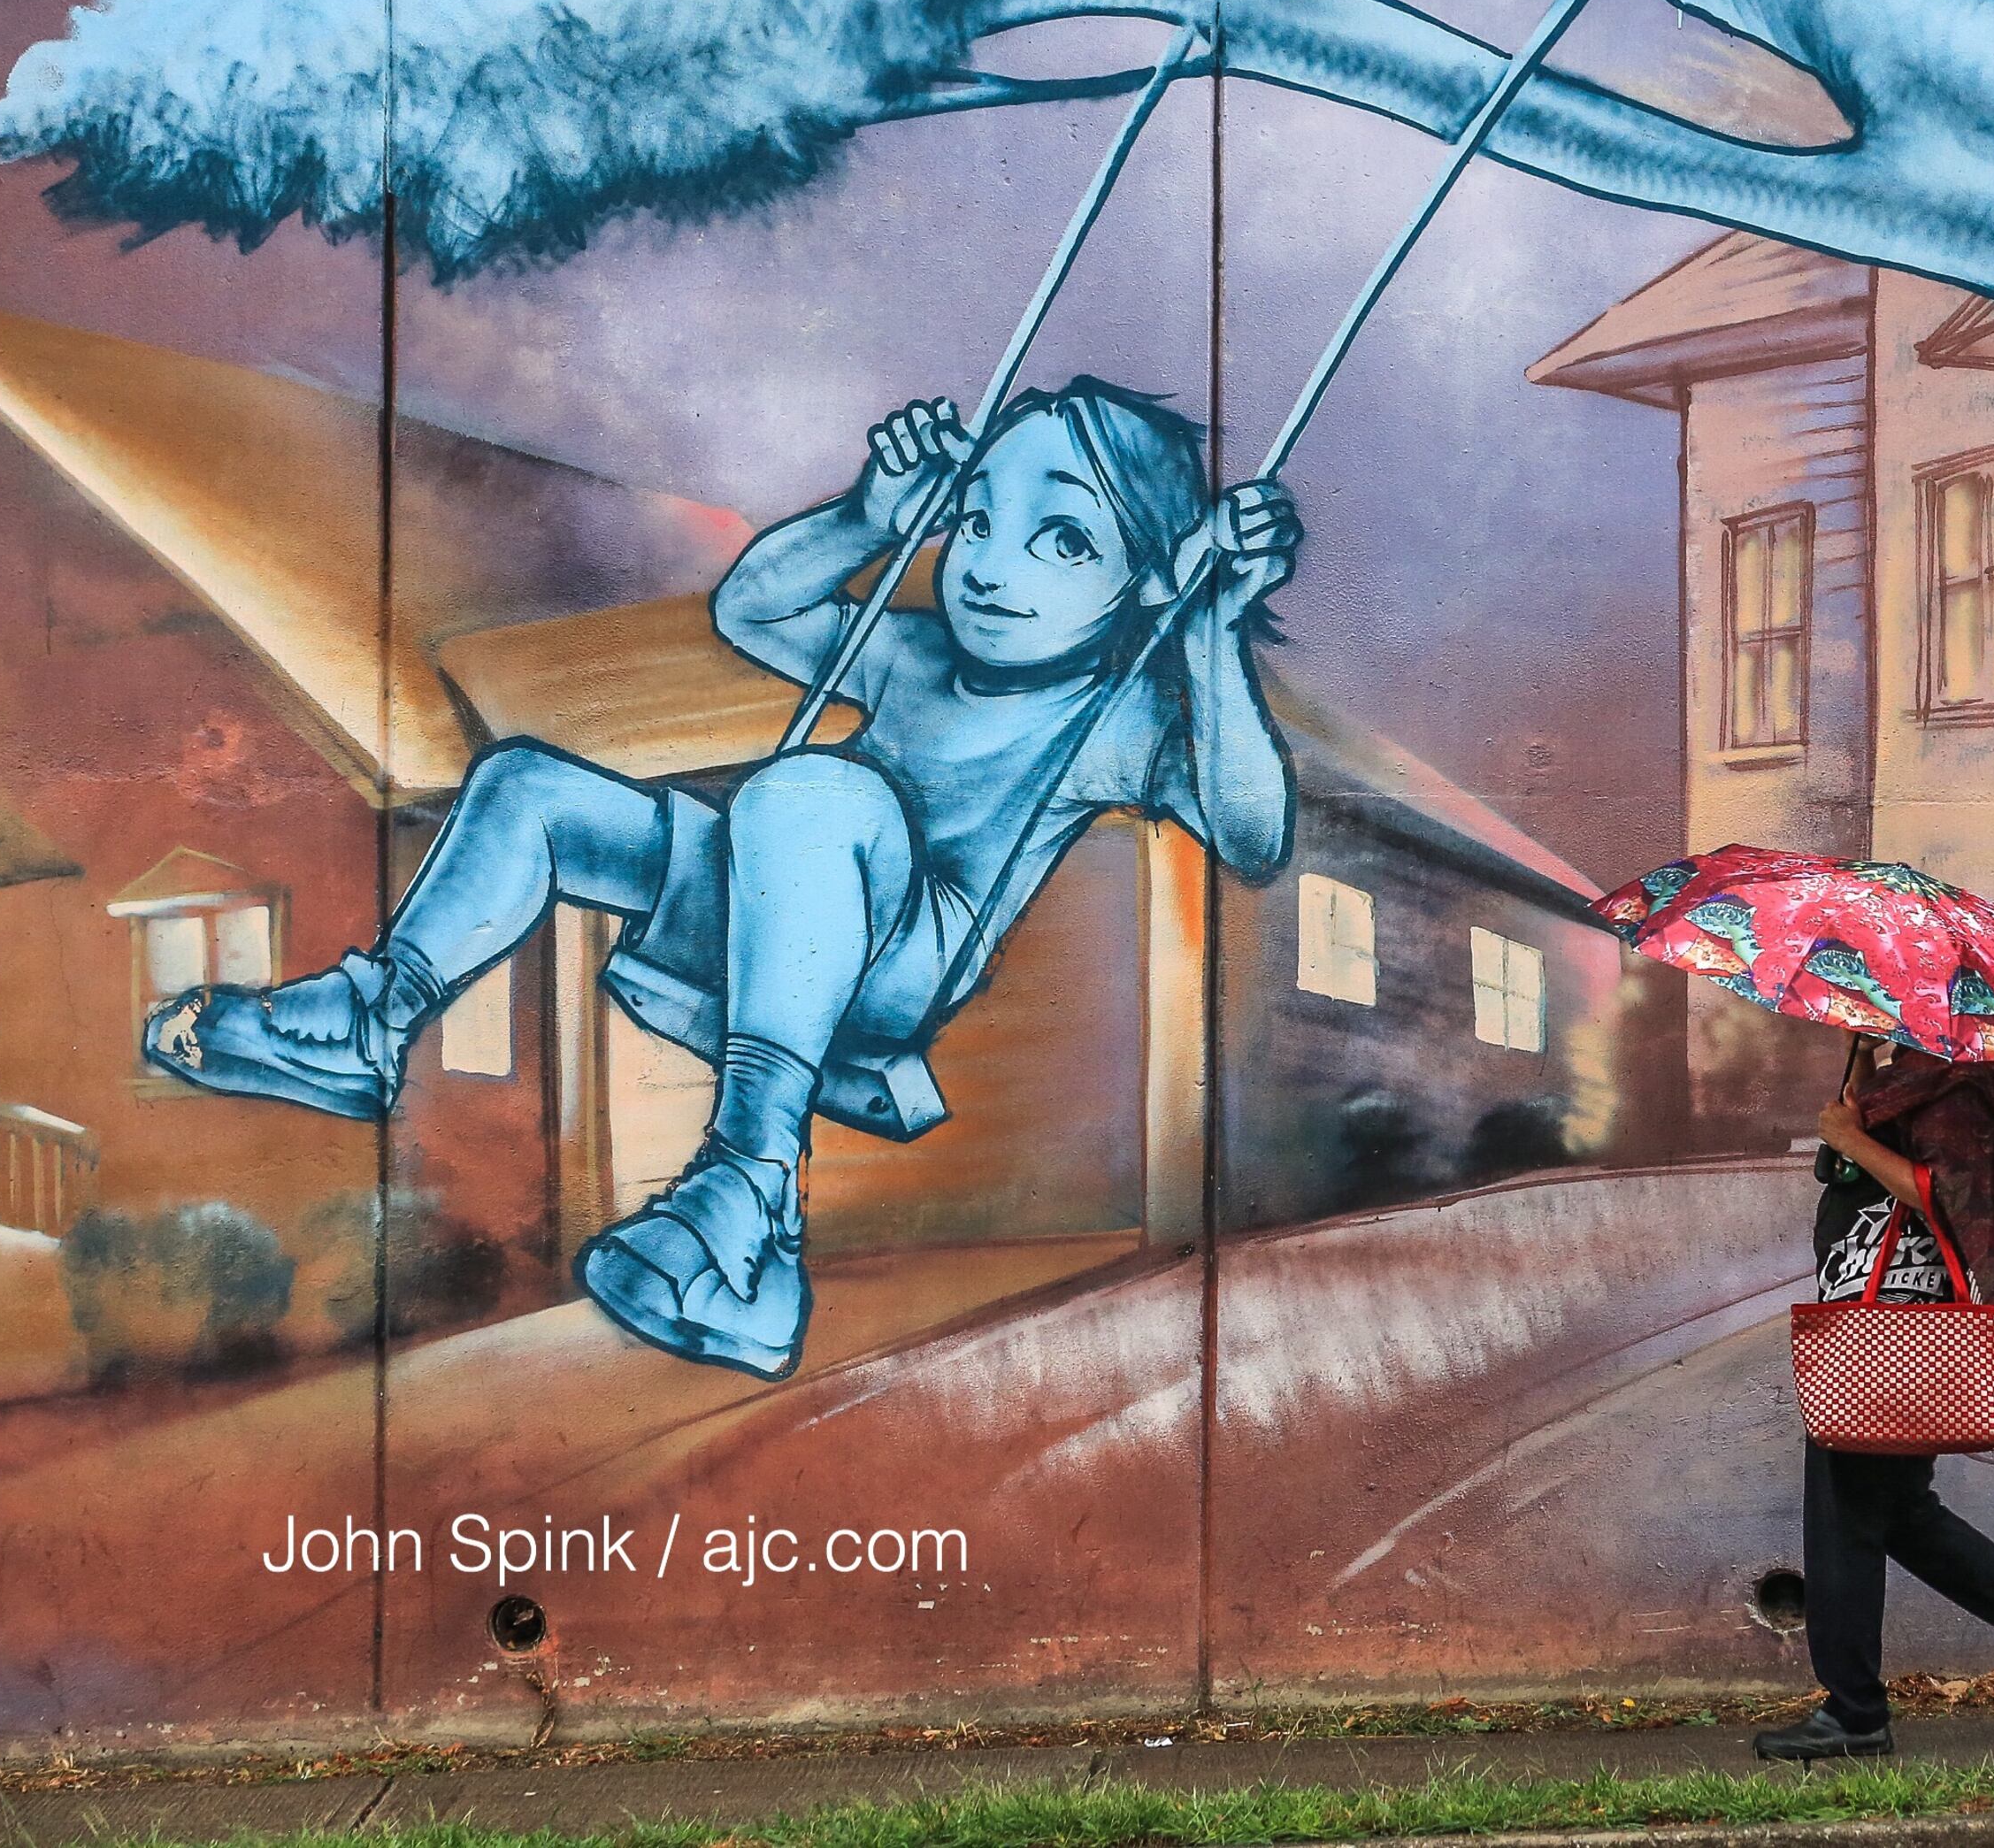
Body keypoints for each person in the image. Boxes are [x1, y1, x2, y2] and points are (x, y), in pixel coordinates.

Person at [140, 383, 1299, 1380]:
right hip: (766, 900)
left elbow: (1251, 833)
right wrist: (865, 519)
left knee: (813, 795)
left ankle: (750, 1188)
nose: (991, 566)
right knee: (528, 786)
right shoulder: (910, 648)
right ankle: (372, 1015)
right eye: (980, 520)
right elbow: (753, 608)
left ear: (1148, 580)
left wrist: (1211, 632)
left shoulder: (1115, 714)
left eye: (1063, 542)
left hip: (894, 965)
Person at [1752, 1035, 1994, 1761]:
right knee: (1896, 1512)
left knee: (1844, 1510)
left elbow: (1948, 1198)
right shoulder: (1913, 1079)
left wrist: (1854, 1140)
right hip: (1876, 1318)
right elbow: (1865, 1133)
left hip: (1898, 1324)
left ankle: (1855, 1711)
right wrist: (1858, 1063)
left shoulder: (1958, 1092)